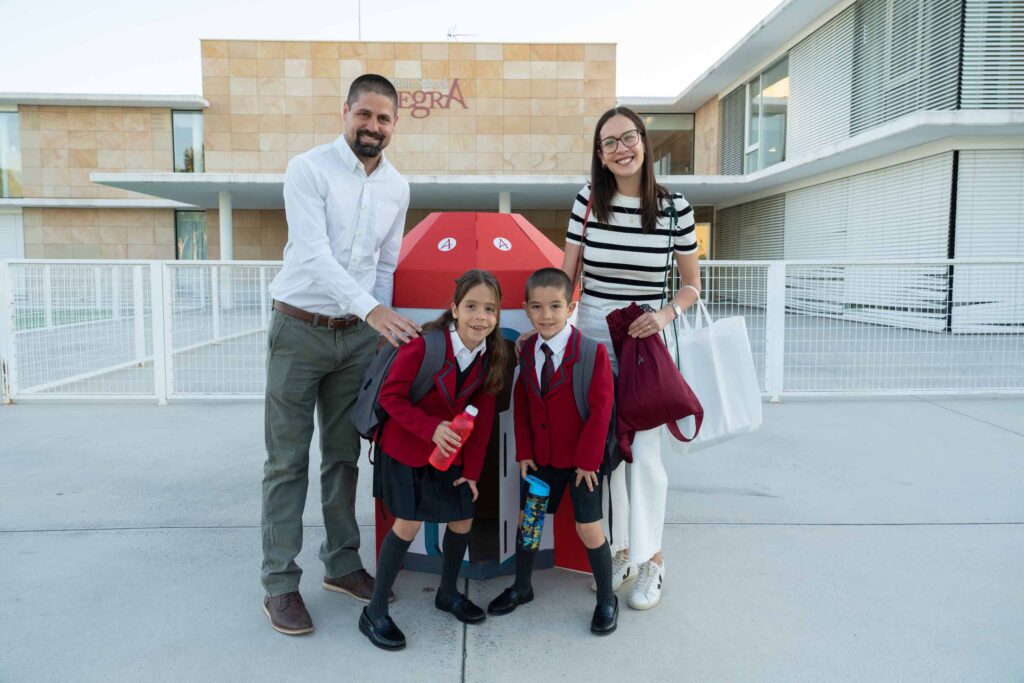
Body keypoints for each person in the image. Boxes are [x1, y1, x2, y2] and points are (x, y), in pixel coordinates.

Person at [261, 74, 421, 636]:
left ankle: (342, 564)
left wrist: (377, 323)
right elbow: (313, 255)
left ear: (395, 125)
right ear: (346, 112)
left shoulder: (397, 187)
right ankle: (280, 583)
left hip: (355, 338)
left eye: (384, 119)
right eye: (364, 115)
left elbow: (384, 265)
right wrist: (373, 312)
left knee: (342, 455)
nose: (373, 127)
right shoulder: (308, 169)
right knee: (286, 462)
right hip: (298, 329)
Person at [565, 106, 701, 610]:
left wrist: (664, 316)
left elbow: (691, 286)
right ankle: (623, 549)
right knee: (606, 457)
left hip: (644, 337)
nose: (621, 149)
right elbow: (567, 279)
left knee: (645, 458)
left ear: (644, 142)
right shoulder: (587, 201)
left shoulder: (674, 208)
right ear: (599, 156)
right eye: (609, 143)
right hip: (593, 337)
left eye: (628, 138)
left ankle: (654, 561)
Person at [359, 269, 509, 651]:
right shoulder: (423, 346)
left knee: (463, 518)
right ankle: (375, 611)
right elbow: (391, 399)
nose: (481, 316)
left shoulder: (491, 355)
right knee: (407, 525)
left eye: (490, 309)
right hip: (406, 450)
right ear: (454, 308)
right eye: (472, 306)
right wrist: (432, 428)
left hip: (449, 454)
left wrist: (473, 472)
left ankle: (447, 592)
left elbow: (484, 418)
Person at [487, 268, 618, 634]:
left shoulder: (592, 353)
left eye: (555, 306)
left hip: (582, 465)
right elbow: (523, 402)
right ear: (526, 309)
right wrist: (524, 451)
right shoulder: (527, 350)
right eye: (538, 307)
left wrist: (588, 461)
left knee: (588, 528)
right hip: (541, 463)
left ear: (570, 307)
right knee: (528, 525)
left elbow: (601, 412)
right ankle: (522, 586)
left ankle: (607, 597)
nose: (546, 315)